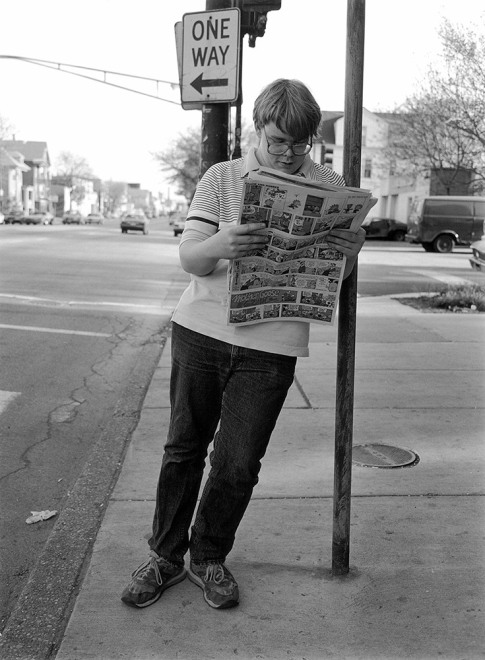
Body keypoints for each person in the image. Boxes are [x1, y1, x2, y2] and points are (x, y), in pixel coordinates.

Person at [121, 79, 366, 610]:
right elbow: (191, 259)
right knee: (183, 450)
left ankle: (208, 557)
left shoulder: (330, 185)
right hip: (202, 331)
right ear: (259, 128)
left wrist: (350, 249)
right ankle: (164, 555)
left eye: (299, 144)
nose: (287, 153)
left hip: (272, 344)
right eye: (278, 141)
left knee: (238, 461)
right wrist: (218, 242)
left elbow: (334, 279)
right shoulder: (221, 178)